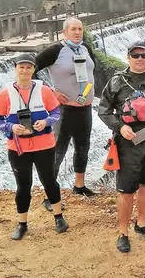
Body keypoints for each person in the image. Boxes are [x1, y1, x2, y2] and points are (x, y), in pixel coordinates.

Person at [98, 40, 145, 253]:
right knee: (125, 190)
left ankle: (142, 223)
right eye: (135, 55)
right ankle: (123, 233)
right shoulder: (116, 82)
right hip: (127, 143)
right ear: (128, 57)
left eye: (144, 55)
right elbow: (103, 110)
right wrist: (120, 126)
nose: (140, 59)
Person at [0, 52, 69, 240]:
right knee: (23, 186)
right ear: (16, 69)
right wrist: (10, 127)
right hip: (18, 148)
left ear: (34, 69)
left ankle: (59, 218)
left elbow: (56, 113)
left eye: (29, 67)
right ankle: (22, 224)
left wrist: (46, 122)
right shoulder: (5, 93)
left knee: (49, 181)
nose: (25, 70)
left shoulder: (44, 90)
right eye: (21, 67)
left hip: (44, 146)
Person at [34, 16, 99, 212]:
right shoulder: (56, 50)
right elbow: (31, 69)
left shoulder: (85, 48)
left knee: (82, 147)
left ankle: (79, 186)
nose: (77, 32)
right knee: (57, 151)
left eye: (80, 29)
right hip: (63, 110)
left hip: (85, 108)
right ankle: (49, 194)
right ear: (65, 32)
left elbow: (91, 72)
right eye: (73, 29)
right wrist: (49, 91)